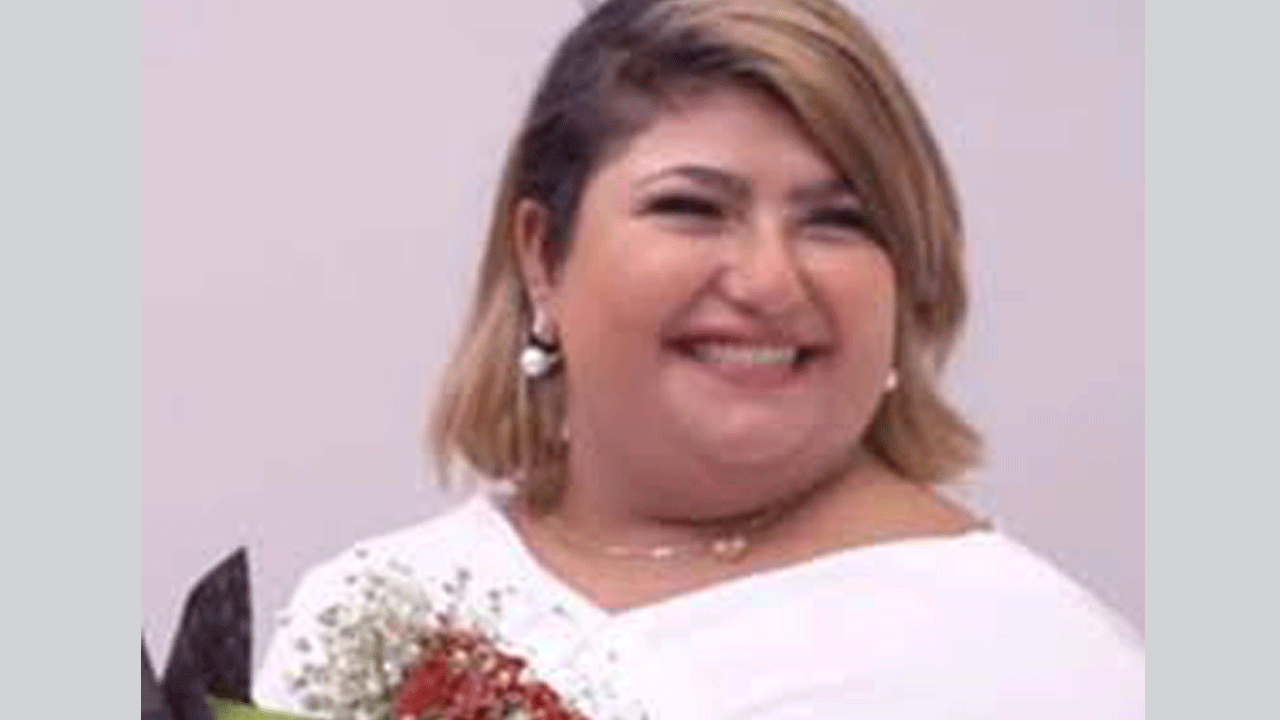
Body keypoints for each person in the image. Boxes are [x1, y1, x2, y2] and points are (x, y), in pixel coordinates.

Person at [254, 0, 1145, 717]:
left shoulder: (1032, 659)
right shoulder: (377, 607)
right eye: (691, 208)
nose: (769, 281)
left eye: (838, 222)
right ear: (542, 256)